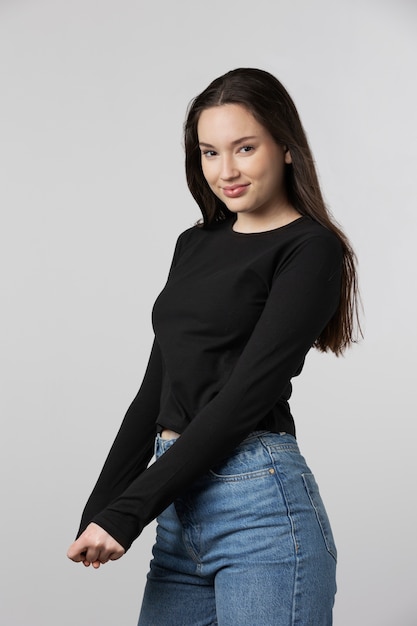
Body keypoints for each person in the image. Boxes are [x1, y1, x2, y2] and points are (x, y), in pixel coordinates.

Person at [67, 67, 360, 625]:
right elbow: (158, 389)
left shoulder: (311, 249)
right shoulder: (194, 244)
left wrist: (130, 512)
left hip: (260, 511)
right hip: (179, 511)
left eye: (245, 148)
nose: (226, 171)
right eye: (209, 152)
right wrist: (101, 508)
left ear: (287, 147)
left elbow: (242, 399)